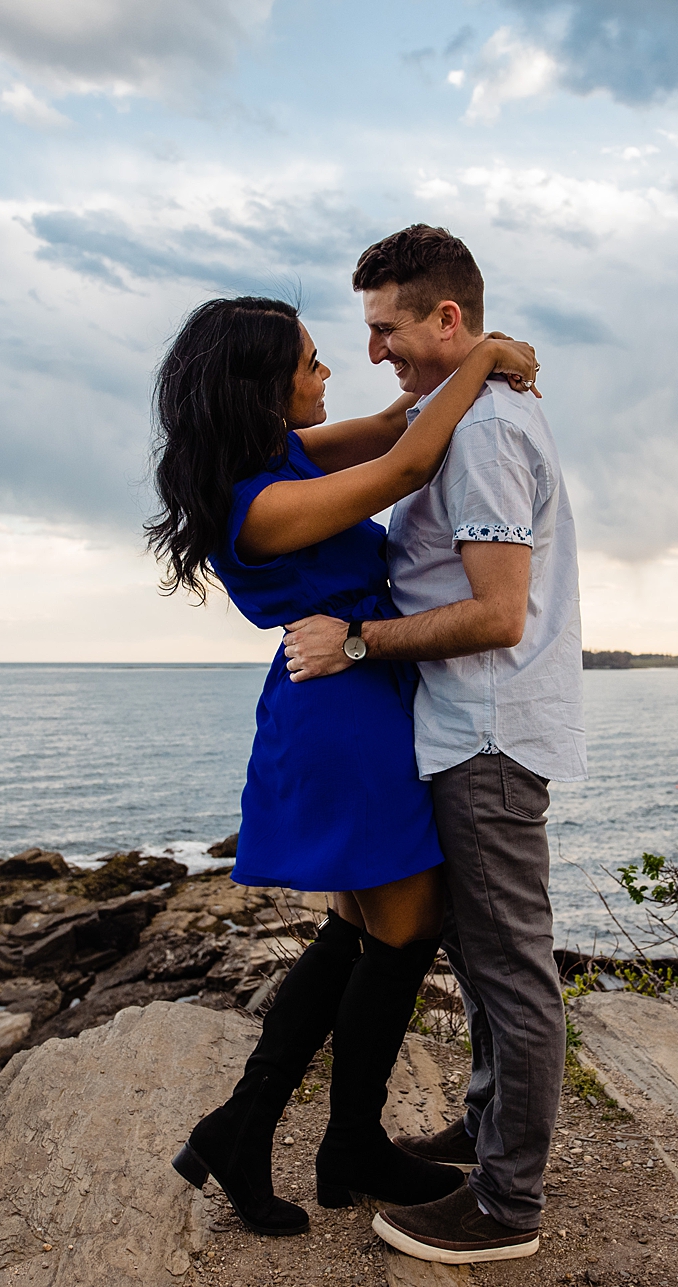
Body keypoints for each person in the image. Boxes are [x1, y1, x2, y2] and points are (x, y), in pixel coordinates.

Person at [145, 295, 541, 1237]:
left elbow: (395, 424)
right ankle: (339, 1141)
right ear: (264, 386)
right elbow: (407, 462)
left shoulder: (278, 455)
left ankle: (249, 1128)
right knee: (406, 929)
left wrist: (467, 367)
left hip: (345, 703)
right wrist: (482, 354)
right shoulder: (265, 503)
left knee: (364, 928)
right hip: (345, 717)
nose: (330, 375)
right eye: (313, 362)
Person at [281, 225, 585, 1266]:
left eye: (386, 329)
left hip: (488, 733)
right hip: (463, 729)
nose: (374, 351)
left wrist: (358, 639)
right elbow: (390, 430)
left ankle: (506, 1208)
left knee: (508, 968)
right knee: (480, 953)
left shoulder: (489, 435)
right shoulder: (458, 415)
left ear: (444, 318)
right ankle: (489, 1135)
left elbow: (499, 615)